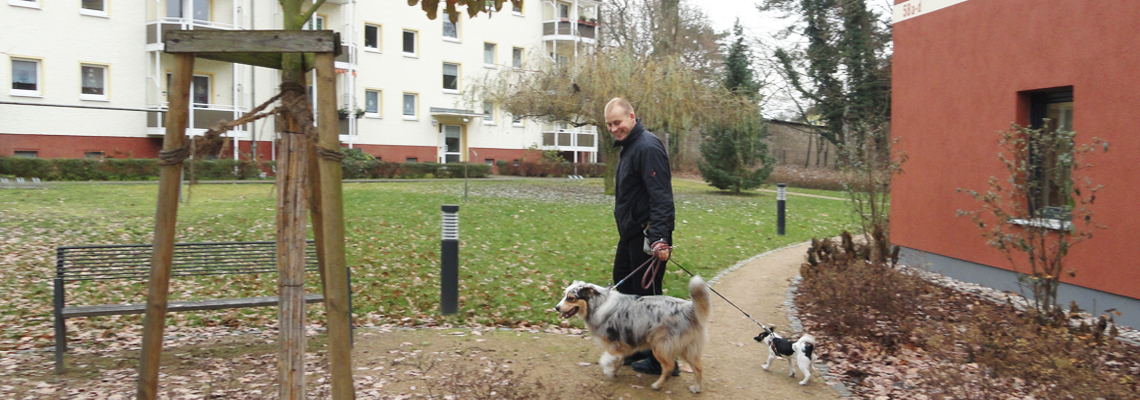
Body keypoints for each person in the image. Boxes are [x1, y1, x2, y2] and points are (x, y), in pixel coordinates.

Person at [603, 97, 677, 376]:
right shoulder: (629, 147)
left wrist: (658, 238)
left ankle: (665, 361)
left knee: (649, 300)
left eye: (617, 122)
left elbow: (662, 197)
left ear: (632, 117)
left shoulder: (647, 146)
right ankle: (645, 348)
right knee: (627, 292)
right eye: (609, 124)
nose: (613, 128)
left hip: (648, 236)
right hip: (630, 234)